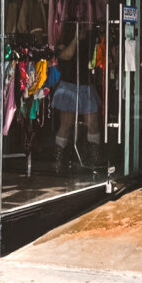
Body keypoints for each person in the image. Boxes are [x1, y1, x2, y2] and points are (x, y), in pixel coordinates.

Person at [51, 22, 103, 173]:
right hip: (69, 87)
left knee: (92, 123)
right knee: (66, 125)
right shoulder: (62, 44)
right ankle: (59, 160)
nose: (83, 30)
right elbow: (66, 56)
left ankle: (93, 158)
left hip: (86, 87)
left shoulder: (90, 40)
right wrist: (75, 39)